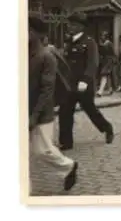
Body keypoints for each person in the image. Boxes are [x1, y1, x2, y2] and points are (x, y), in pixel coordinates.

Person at [28, 12, 78, 193]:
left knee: (43, 150)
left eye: (29, 31)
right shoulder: (23, 53)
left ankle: (69, 166)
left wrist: (34, 116)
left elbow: (47, 89)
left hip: (41, 112)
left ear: (37, 34)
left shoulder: (46, 56)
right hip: (24, 109)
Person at [58, 12, 114, 150]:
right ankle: (66, 141)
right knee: (64, 111)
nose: (70, 27)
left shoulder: (89, 42)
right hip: (70, 84)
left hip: (84, 85)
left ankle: (107, 128)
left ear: (81, 26)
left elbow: (92, 63)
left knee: (90, 110)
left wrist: (85, 79)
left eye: (74, 25)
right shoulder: (69, 42)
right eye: (70, 24)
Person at [96, 31, 116, 97]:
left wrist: (113, 61)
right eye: (101, 36)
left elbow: (113, 53)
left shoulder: (109, 44)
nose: (102, 37)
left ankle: (100, 91)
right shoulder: (103, 44)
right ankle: (110, 89)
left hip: (109, 61)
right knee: (108, 76)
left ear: (106, 37)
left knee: (104, 75)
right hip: (105, 61)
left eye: (103, 36)